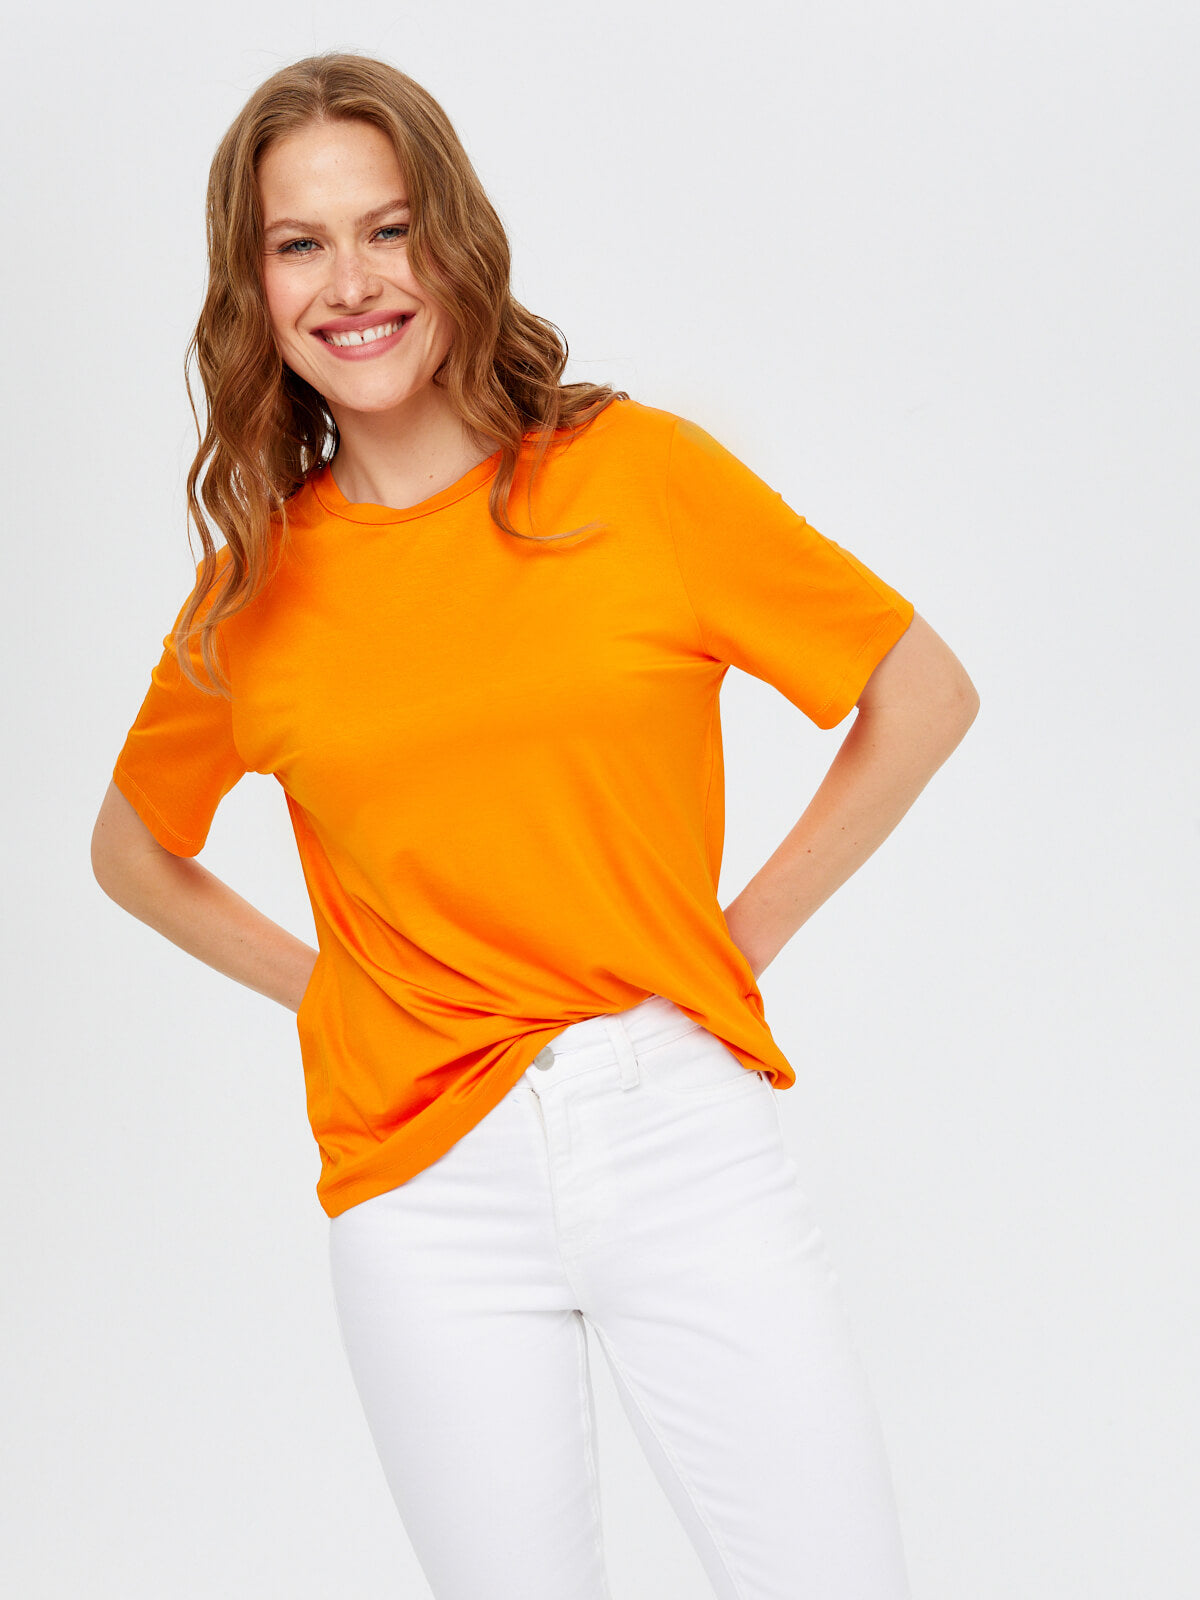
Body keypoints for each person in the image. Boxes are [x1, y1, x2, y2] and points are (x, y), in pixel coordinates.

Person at [91, 49, 978, 1600]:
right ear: (252, 288)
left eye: (389, 228)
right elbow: (131, 852)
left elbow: (923, 693)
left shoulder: (637, 478)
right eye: (300, 243)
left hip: (677, 1129)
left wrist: (735, 938)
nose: (353, 283)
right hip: (420, 1189)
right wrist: (333, 990)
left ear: (454, 240)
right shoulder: (253, 595)